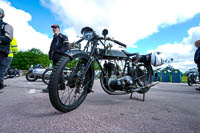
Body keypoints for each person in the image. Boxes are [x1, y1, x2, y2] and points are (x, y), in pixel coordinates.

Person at [42, 24, 70, 93]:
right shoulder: (54, 38)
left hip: (60, 57)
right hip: (54, 58)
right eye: (53, 28)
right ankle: (62, 86)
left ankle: (50, 88)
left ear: (58, 29)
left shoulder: (63, 37)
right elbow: (52, 48)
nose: (54, 29)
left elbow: (66, 46)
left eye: (55, 28)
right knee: (59, 72)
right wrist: (50, 55)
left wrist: (59, 52)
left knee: (54, 73)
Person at [0, 8, 13, 90]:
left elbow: (8, 38)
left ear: (1, 15)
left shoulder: (6, 26)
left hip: (1, 51)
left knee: (1, 71)